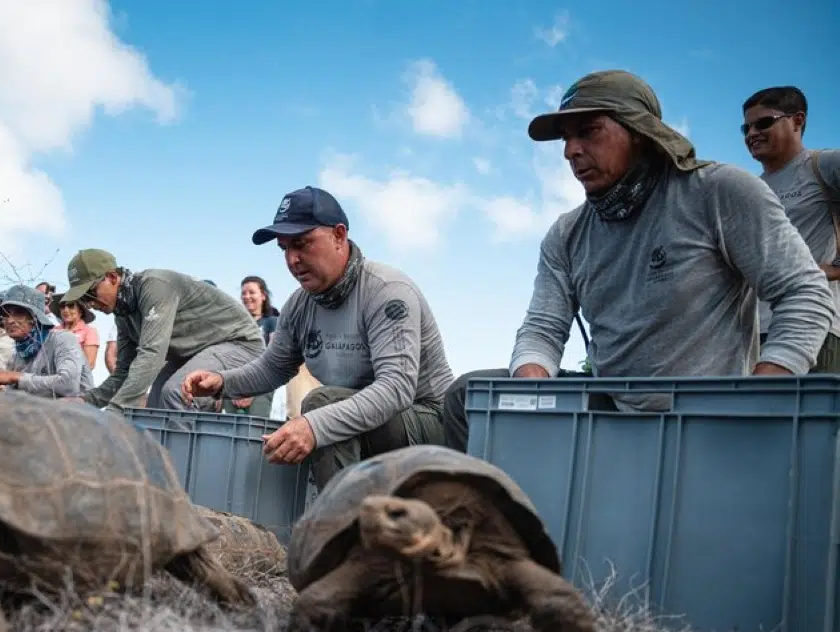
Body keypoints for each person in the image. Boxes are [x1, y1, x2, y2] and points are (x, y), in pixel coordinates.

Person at [441, 70, 836, 453]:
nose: (570, 151)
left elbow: (804, 293)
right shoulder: (566, 234)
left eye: (589, 131)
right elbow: (542, 329)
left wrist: (757, 397)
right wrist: (530, 391)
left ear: (639, 132)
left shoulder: (717, 191)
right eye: (566, 138)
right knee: (467, 396)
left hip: (705, 413)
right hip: (610, 405)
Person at [181, 185, 455, 490]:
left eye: (302, 243)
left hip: (428, 421)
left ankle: (341, 529)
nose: (292, 259)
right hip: (367, 421)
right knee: (326, 409)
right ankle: (342, 518)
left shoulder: (386, 291)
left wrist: (315, 425)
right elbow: (273, 367)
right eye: (284, 248)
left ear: (339, 236)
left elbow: (396, 388)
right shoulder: (300, 305)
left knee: (322, 405)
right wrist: (222, 382)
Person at [59, 248, 266, 413]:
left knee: (175, 392)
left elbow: (152, 353)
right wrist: (86, 400)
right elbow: (124, 372)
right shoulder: (123, 314)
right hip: (198, 352)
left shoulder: (153, 286)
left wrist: (113, 412)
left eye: (91, 293)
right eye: (84, 299)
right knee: (156, 404)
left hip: (240, 344)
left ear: (112, 277)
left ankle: (180, 465)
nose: (90, 304)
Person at [742, 85, 840, 373]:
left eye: (763, 123)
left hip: (813, 330)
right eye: (745, 128)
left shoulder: (823, 165)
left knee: (811, 419)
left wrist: (834, 269)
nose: (751, 134)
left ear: (798, 120)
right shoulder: (751, 188)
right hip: (753, 335)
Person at [0, 285, 93, 397]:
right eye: (5, 315)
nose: (10, 320)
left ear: (34, 317)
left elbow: (68, 385)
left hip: (78, 411)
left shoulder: (63, 339)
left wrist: (17, 377)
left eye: (18, 313)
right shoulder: (16, 357)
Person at [225, 275, 281, 417]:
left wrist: (253, 392)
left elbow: (274, 357)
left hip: (261, 386)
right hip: (234, 385)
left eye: (251, 292)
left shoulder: (272, 322)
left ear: (263, 296)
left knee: (254, 432)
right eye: (243, 293)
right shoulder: (234, 325)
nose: (247, 296)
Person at [51, 292, 101, 369]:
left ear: (80, 311)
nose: (66, 310)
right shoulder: (53, 331)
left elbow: (89, 364)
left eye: (71, 306)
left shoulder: (90, 332)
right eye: (62, 306)